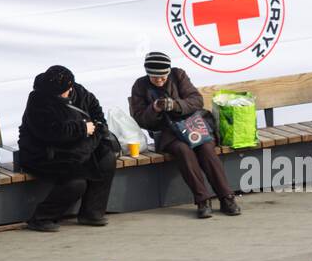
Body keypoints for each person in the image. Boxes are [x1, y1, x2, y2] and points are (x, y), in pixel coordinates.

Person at [130, 51, 240, 219]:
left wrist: (175, 105)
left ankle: (227, 198)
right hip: (167, 133)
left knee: (206, 148)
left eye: (162, 77)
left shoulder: (178, 75)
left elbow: (196, 100)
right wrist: (155, 109)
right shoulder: (140, 86)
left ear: (168, 71)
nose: (159, 80)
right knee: (183, 151)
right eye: (154, 77)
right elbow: (141, 119)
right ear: (147, 73)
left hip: (193, 126)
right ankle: (203, 200)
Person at [16, 64, 115, 232]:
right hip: (45, 154)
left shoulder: (77, 90)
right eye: (61, 92)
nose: (66, 94)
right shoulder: (38, 100)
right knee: (76, 182)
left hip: (78, 147)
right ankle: (41, 218)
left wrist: (95, 129)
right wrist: (83, 129)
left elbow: (97, 114)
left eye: (67, 89)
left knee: (107, 157)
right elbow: (49, 132)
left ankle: (92, 212)